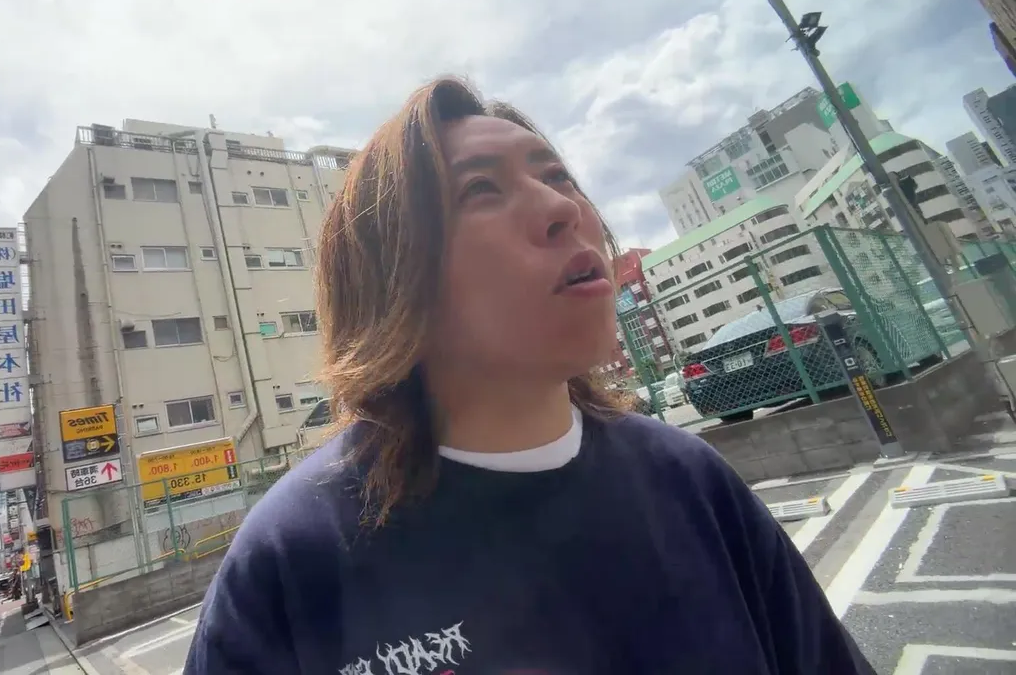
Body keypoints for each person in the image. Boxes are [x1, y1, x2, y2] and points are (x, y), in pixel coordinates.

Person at [184, 76, 875, 673]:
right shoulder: (290, 557)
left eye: (556, 176)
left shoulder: (690, 478)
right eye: (481, 189)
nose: (562, 209)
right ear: (390, 280)